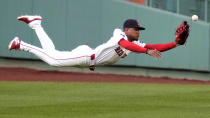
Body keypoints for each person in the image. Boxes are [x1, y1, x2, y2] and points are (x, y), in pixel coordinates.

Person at [8, 15, 187, 71]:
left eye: (139, 30)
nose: (138, 31)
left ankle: (36, 24)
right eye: (136, 29)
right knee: (53, 59)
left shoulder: (136, 43)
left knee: (53, 55)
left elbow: (154, 46)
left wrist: (175, 43)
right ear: (127, 29)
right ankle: (21, 44)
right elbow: (126, 46)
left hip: (87, 58)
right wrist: (146, 52)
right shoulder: (119, 34)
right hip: (87, 56)